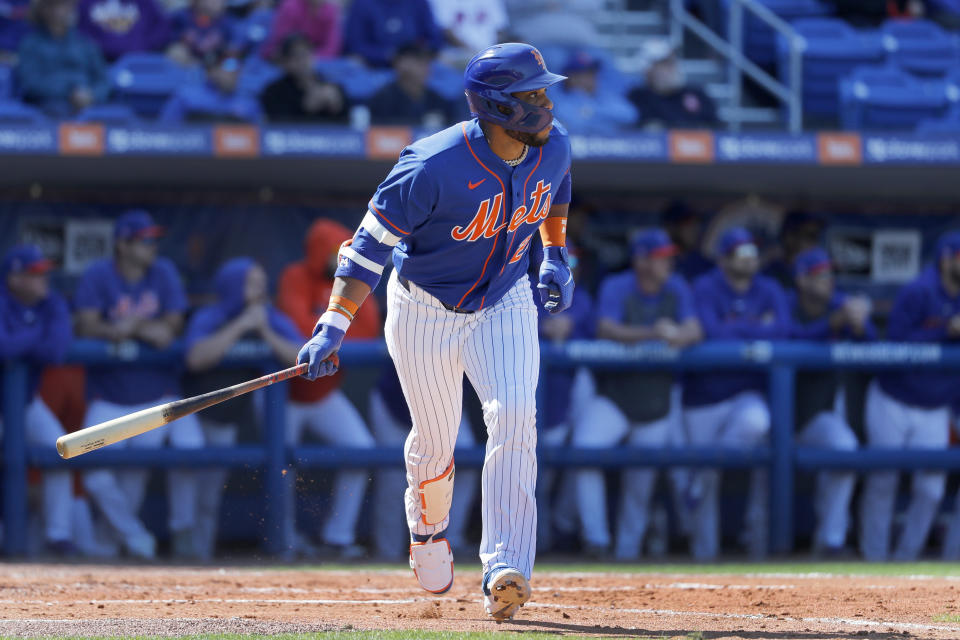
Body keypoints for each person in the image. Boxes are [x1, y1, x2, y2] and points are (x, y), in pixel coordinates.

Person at [296, 43, 573, 621]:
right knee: (435, 438)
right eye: (533, 95)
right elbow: (366, 248)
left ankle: (505, 565)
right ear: (498, 106)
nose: (547, 103)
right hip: (426, 306)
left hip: (505, 300)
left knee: (517, 415)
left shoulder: (555, 145)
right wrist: (333, 323)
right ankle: (427, 530)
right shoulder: (430, 164)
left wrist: (554, 257)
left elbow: (556, 196)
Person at [74, 209, 203, 559]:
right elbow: (85, 325)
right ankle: (133, 538)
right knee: (95, 474)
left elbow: (172, 326)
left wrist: (134, 326)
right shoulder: (99, 274)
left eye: (153, 239)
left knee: (178, 456)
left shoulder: (163, 272)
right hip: (110, 395)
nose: (152, 245)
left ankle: (178, 534)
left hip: (158, 394)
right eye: (144, 240)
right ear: (122, 244)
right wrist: (115, 329)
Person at [572, 229, 702, 560]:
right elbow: (605, 328)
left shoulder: (677, 287)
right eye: (659, 257)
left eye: (668, 256)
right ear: (641, 260)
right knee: (584, 449)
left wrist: (677, 335)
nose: (667, 263)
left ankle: (626, 555)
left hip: (656, 404)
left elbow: (695, 329)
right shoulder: (618, 286)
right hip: (614, 397)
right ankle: (596, 540)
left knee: (639, 488)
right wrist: (652, 334)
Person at [184, 257, 303, 559]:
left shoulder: (266, 317)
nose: (261, 289)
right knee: (188, 495)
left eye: (263, 282)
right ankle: (182, 558)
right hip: (191, 417)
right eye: (252, 282)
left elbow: (302, 358)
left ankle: (200, 560)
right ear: (233, 285)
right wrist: (241, 326)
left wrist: (264, 332)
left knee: (209, 497)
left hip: (227, 420)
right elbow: (196, 358)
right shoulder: (211, 316)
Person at [683, 227, 789, 560]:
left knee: (757, 424)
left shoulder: (769, 288)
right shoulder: (705, 285)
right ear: (724, 259)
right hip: (702, 398)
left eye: (753, 253)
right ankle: (705, 560)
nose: (750, 260)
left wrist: (737, 329)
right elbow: (711, 333)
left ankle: (759, 552)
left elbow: (783, 331)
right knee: (705, 484)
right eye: (742, 254)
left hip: (746, 392)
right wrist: (758, 329)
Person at [276, 218, 378, 559]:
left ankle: (338, 536)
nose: (343, 259)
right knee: (281, 467)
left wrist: (332, 337)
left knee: (361, 449)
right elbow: (299, 332)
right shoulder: (295, 276)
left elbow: (369, 330)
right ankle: (284, 539)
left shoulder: (350, 281)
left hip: (323, 394)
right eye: (337, 252)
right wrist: (330, 335)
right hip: (284, 397)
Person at [859, 232, 960, 561]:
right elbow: (897, 344)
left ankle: (906, 562)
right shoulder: (918, 290)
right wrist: (944, 330)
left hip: (934, 406)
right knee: (883, 481)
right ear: (946, 258)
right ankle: (873, 560)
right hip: (894, 398)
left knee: (931, 490)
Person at [788, 247, 872, 555]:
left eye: (830, 273)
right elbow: (789, 336)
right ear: (801, 280)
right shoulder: (785, 304)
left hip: (815, 415)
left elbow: (873, 343)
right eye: (819, 274)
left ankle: (831, 542)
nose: (828, 280)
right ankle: (757, 551)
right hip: (775, 413)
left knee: (843, 448)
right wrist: (831, 325)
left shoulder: (838, 304)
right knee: (763, 487)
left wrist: (860, 325)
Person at [0, 245, 74, 555]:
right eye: (34, 273)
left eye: (44, 271)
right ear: (14, 278)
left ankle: (58, 536)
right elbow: (2, 349)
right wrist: (36, 334)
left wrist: (23, 340)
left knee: (62, 449)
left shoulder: (52, 302)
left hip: (28, 403)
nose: (43, 278)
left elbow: (56, 351)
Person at [368, 366, 479, 560]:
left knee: (464, 469)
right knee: (394, 481)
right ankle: (388, 553)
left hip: (447, 411)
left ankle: (450, 543)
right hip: (396, 408)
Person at [532, 241, 594, 554]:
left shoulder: (581, 298)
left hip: (576, 395)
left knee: (580, 463)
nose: (570, 269)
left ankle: (563, 530)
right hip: (538, 398)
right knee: (538, 473)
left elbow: (593, 334)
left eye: (574, 262)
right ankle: (538, 539)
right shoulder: (527, 292)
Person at [16, 0, 109, 116]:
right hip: (47, 106)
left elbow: (104, 81)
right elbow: (30, 83)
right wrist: (69, 92)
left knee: (109, 114)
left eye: (66, 5)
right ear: (42, 10)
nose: (60, 11)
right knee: (58, 111)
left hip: (88, 104)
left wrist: (92, 95)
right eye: (54, 6)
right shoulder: (30, 45)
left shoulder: (86, 44)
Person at [628, 38, 717, 130]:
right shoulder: (638, 98)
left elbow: (718, 129)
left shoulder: (697, 94)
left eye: (672, 62)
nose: (671, 68)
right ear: (647, 70)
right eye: (663, 63)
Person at [367, 42, 460, 129]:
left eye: (427, 63)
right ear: (399, 63)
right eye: (419, 62)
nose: (425, 68)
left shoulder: (438, 101)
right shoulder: (382, 99)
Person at [260, 33, 347, 123]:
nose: (303, 61)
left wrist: (337, 106)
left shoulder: (331, 85)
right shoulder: (274, 91)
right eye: (296, 56)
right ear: (285, 62)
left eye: (306, 54)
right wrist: (305, 108)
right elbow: (276, 126)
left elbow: (349, 123)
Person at [550, 49, 637, 136]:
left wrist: (592, 112)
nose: (591, 78)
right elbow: (575, 123)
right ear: (572, 78)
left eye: (592, 73)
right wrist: (608, 121)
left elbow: (630, 115)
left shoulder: (605, 95)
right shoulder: (560, 100)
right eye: (584, 74)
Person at [342, 0, 444, 68]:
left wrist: (415, 52)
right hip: (373, 68)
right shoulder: (362, 4)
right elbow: (354, 45)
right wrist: (387, 55)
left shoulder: (419, 2)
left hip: (417, 65)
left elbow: (435, 39)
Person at [159, 56, 262, 122]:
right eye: (229, 67)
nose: (235, 73)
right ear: (211, 71)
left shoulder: (249, 103)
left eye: (238, 69)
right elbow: (166, 131)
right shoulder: (186, 97)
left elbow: (262, 138)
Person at [76, 0, 171, 61]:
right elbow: (80, 33)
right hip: (101, 63)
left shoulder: (146, 3)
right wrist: (98, 49)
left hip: (139, 61)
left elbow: (163, 28)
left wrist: (144, 45)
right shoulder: (86, 4)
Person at [426, 0, 508, 68]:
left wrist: (493, 51)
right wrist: (475, 53)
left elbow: (500, 28)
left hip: (490, 51)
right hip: (459, 53)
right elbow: (446, 31)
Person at [764, 211, 826, 290]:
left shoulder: (817, 269)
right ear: (789, 236)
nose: (814, 243)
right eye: (811, 236)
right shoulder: (771, 271)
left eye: (816, 237)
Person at [260, 0, 340, 61]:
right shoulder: (290, 7)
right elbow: (282, 41)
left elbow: (332, 45)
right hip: (285, 56)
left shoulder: (331, 11)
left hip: (315, 60)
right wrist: (302, 58)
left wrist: (314, 58)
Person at [167, 0, 239, 66]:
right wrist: (182, 38)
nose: (217, 3)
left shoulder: (228, 22)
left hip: (213, 61)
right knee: (176, 51)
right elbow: (167, 36)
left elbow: (234, 46)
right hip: (187, 58)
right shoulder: (182, 15)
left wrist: (219, 47)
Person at [661, 200, 712, 282]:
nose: (694, 230)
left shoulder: (706, 265)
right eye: (688, 225)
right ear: (671, 228)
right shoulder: (656, 263)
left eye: (696, 225)